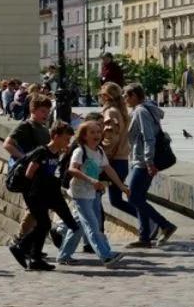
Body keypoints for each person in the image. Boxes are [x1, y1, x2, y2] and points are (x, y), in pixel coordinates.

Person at [9, 122, 80, 271]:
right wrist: (35, 192)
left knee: (44, 224)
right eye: (66, 139)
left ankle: (34, 258)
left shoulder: (55, 153)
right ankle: (20, 246)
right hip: (34, 193)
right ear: (55, 137)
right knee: (44, 224)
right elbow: (29, 173)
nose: (68, 142)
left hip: (44, 193)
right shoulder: (42, 152)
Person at [57, 119, 127, 268]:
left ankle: (64, 255)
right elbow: (72, 169)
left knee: (78, 226)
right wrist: (91, 180)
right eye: (92, 132)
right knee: (92, 225)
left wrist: (122, 187)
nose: (97, 135)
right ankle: (106, 256)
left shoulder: (99, 151)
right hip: (80, 193)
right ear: (84, 136)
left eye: (98, 132)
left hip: (92, 193)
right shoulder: (80, 151)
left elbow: (108, 169)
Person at [123, 83, 177, 248]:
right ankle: (144, 237)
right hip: (140, 160)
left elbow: (148, 138)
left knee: (134, 197)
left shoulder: (140, 111)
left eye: (126, 95)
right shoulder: (146, 108)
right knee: (139, 198)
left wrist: (148, 161)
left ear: (134, 96)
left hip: (143, 162)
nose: (124, 99)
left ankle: (165, 225)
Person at [3, 95, 52, 243]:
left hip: (42, 172)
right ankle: (21, 240)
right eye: (43, 111)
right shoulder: (26, 126)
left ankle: (29, 243)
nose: (46, 114)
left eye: (48, 111)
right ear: (33, 110)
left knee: (38, 208)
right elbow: (7, 144)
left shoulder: (43, 128)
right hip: (29, 173)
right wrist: (25, 157)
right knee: (34, 208)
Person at [99, 83, 137, 225]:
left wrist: (100, 151)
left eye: (100, 95)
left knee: (114, 200)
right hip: (121, 160)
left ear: (105, 96)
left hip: (114, 161)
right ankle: (149, 222)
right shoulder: (120, 110)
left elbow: (111, 137)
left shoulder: (111, 112)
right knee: (116, 200)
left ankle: (150, 221)